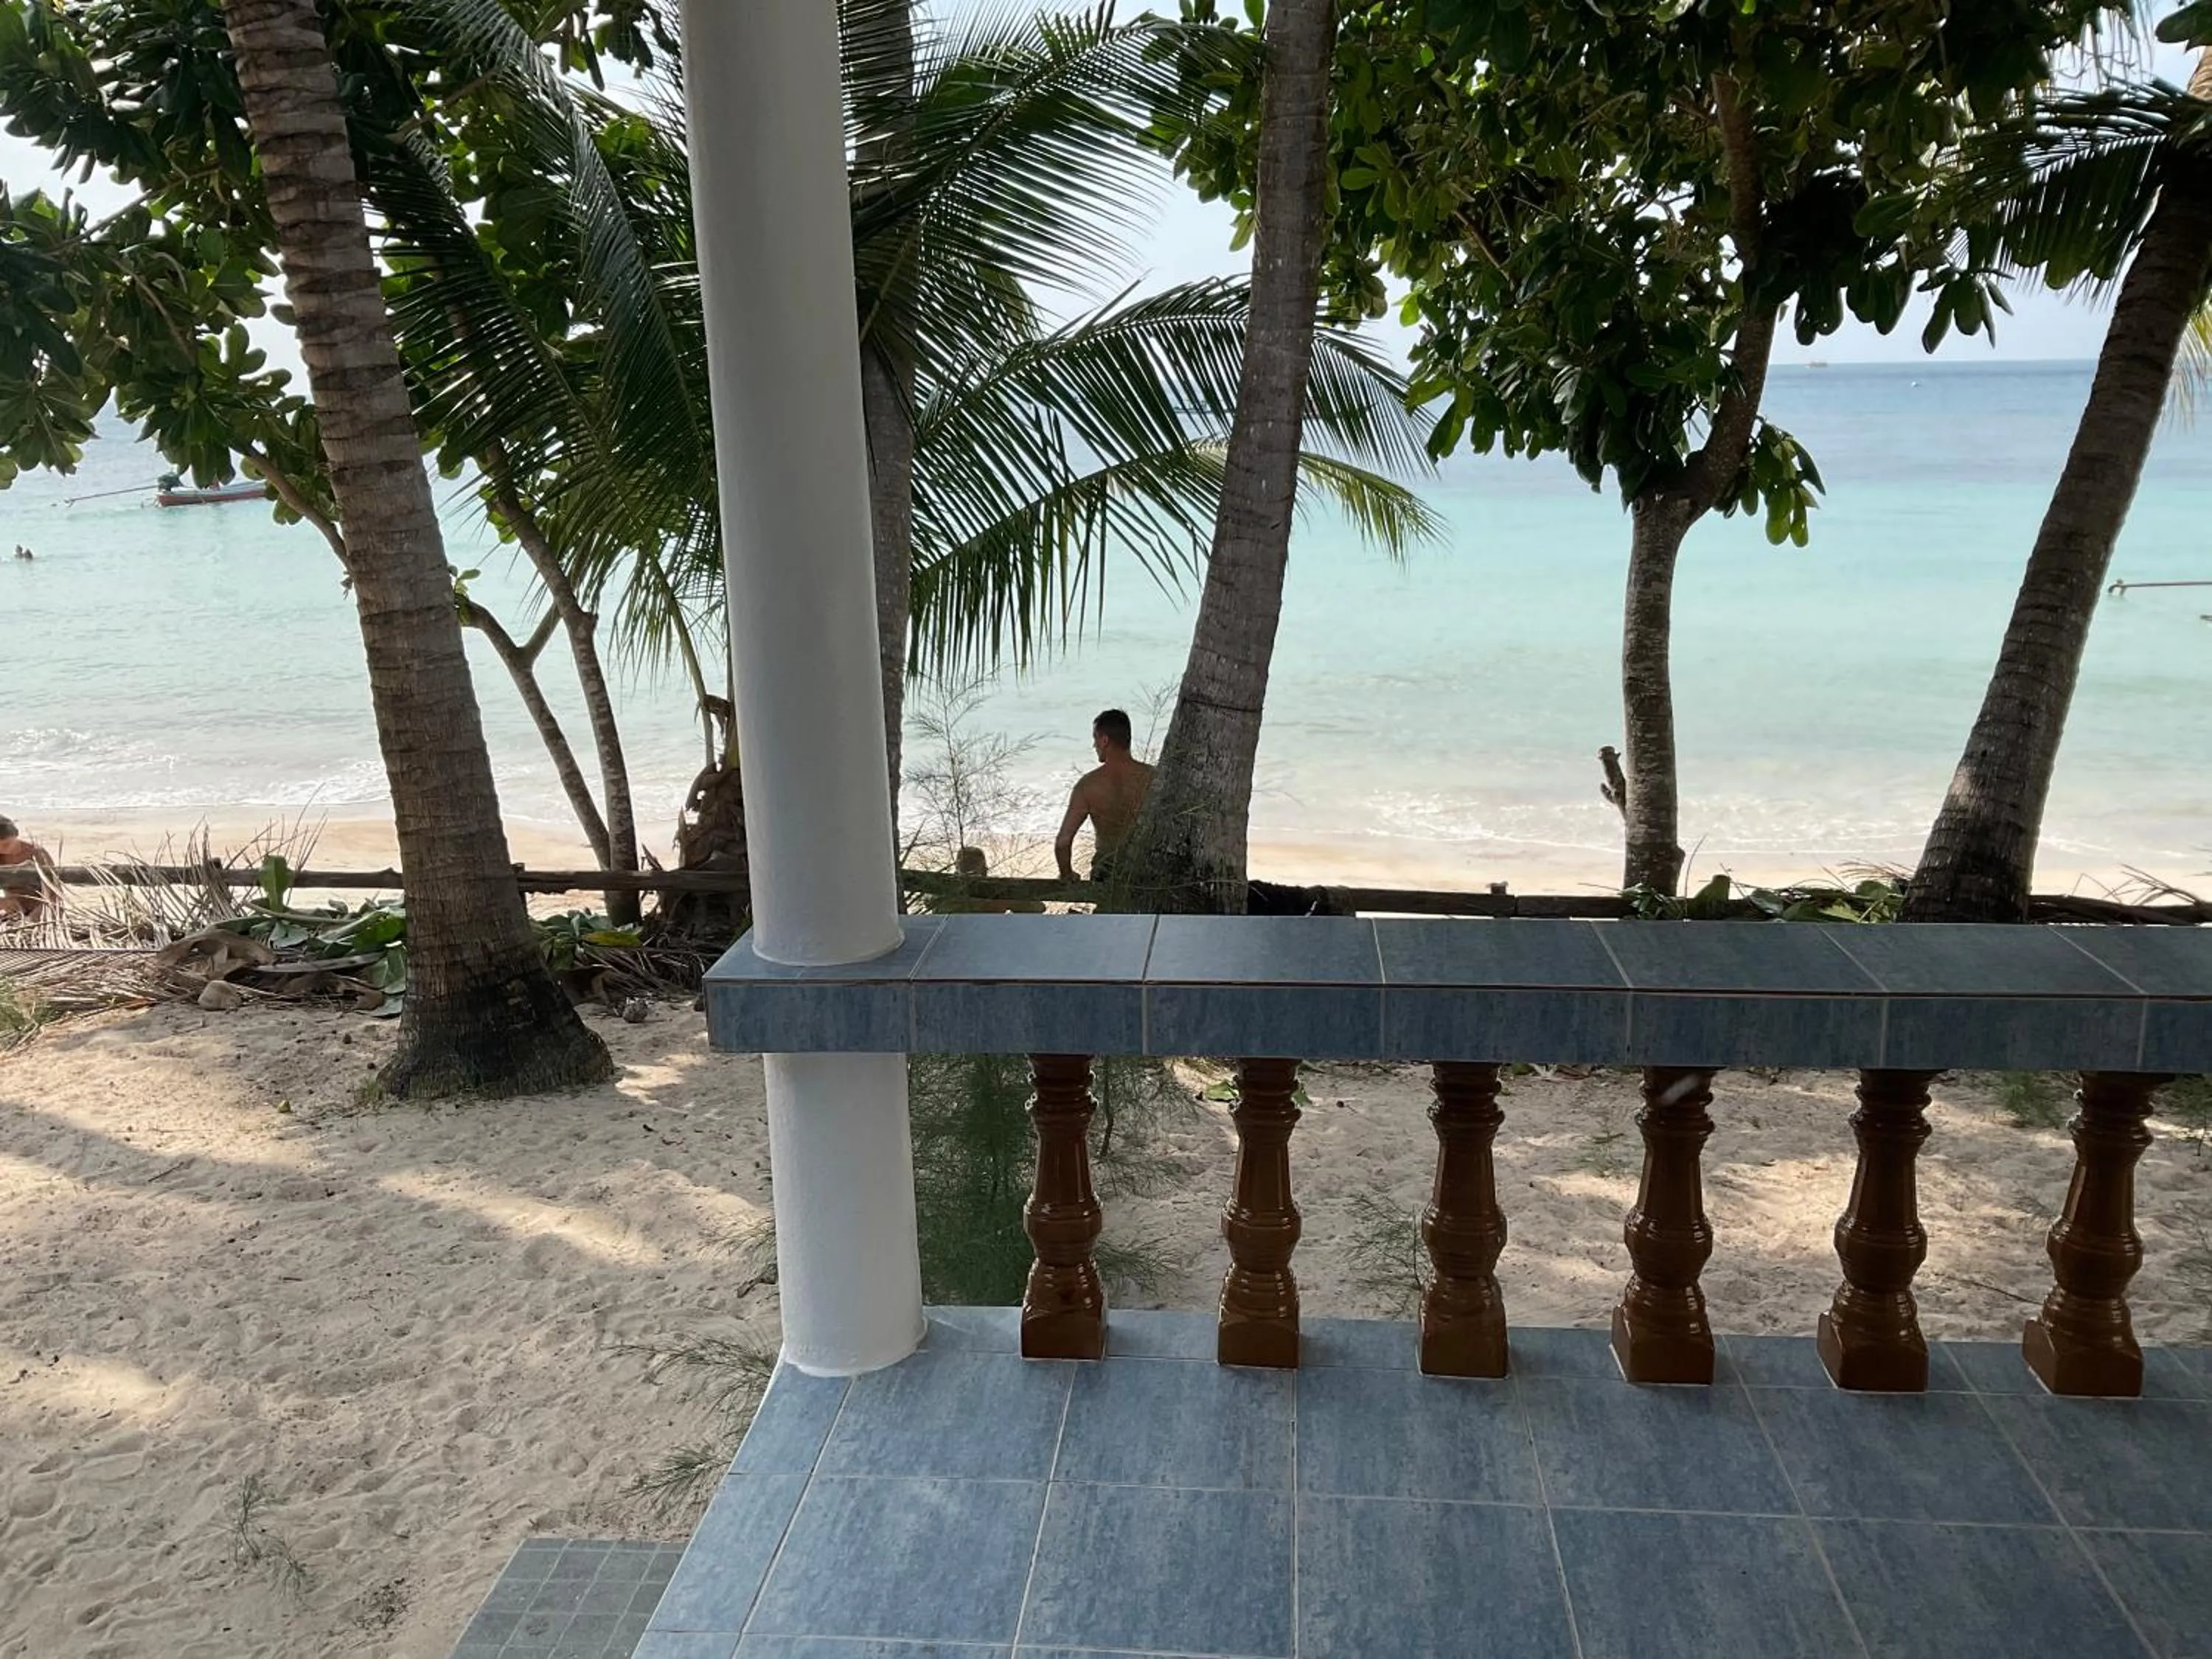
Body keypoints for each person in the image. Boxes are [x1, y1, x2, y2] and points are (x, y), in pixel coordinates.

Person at [1054, 709, 1155, 883]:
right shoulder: (1154, 778)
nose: (1094, 745)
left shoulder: (1088, 785)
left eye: (1095, 738)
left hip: (1107, 872)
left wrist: (1067, 874)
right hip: (1147, 872)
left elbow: (1063, 842)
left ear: (1105, 740)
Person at [0, 815, 57, 922]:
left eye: (6, 844)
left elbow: (54, 892)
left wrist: (38, 913)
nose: (2, 849)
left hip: (42, 907)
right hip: (14, 910)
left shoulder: (36, 853)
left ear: (16, 835)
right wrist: (2, 901)